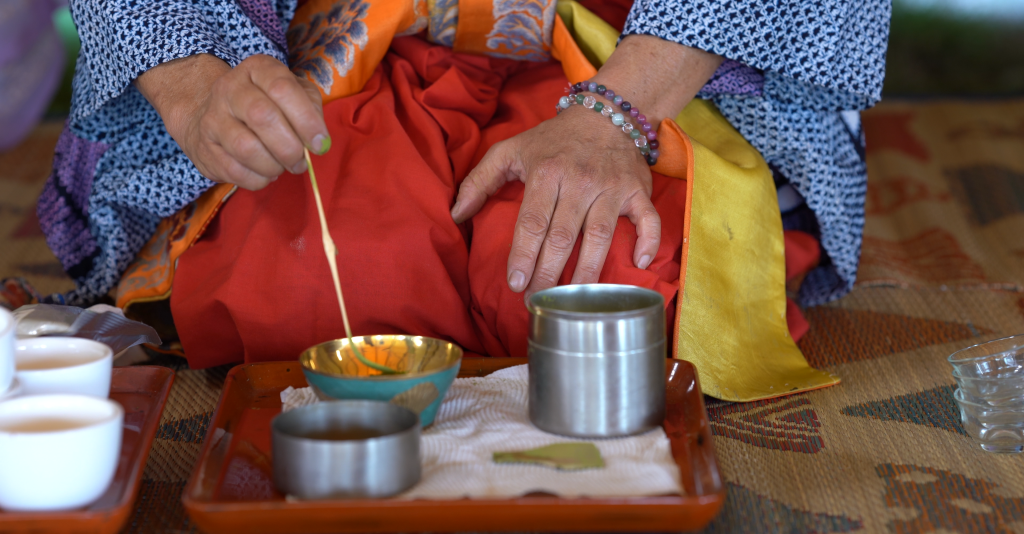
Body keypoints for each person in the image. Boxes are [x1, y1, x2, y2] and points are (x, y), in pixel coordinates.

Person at [38, 0, 889, 399]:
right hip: (332, 52)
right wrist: (194, 87)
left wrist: (619, 114)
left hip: (643, 57)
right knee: (314, 288)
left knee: (604, 298)